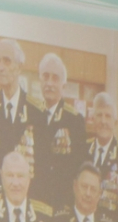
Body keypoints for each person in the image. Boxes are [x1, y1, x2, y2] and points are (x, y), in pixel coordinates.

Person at [0, 38, 42, 179]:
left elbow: (40, 164)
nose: (1, 67)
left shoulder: (35, 111)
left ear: (19, 67)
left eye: (7, 61)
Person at [32, 52, 87, 211]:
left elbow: (79, 168)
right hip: (34, 201)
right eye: (45, 76)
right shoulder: (32, 115)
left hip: (61, 204)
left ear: (64, 85)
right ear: (40, 80)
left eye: (55, 78)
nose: (49, 83)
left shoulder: (74, 120)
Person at [87, 92, 118, 222]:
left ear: (115, 122)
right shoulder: (82, 151)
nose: (103, 121)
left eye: (108, 116)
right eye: (99, 115)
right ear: (93, 119)